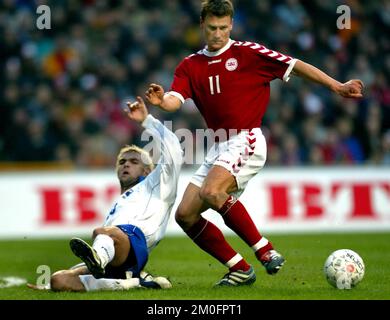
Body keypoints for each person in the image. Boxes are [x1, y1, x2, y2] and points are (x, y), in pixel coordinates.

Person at [145, 0, 364, 286]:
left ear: (231, 25)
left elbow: (295, 65)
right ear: (202, 25)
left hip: (245, 138)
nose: (217, 34)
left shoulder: (249, 53)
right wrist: (162, 101)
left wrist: (336, 85)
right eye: (212, 28)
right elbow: (176, 98)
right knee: (185, 215)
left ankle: (265, 250)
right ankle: (239, 268)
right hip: (218, 146)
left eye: (223, 28)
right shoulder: (190, 65)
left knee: (212, 192)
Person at [28, 96, 183, 291]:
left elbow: (174, 151)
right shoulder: (120, 204)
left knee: (102, 232)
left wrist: (147, 121)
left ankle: (101, 262)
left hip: (135, 245)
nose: (126, 164)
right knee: (58, 280)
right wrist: (73, 272)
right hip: (117, 255)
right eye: (122, 161)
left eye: (134, 162)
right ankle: (134, 284)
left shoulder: (157, 184)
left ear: (146, 171)